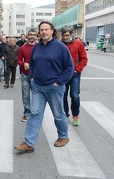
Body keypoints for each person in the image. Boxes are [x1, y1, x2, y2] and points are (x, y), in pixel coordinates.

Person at [14, 21, 74, 153]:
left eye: (46, 29)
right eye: (41, 30)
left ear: (52, 31)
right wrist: (32, 77)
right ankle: (29, 143)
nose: (44, 32)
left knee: (58, 114)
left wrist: (58, 82)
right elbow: (33, 64)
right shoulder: (37, 46)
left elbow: (69, 68)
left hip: (54, 88)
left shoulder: (60, 47)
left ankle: (63, 136)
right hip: (37, 87)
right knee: (35, 114)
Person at [61, 26, 88, 126]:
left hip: (74, 74)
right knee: (63, 96)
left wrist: (78, 69)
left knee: (75, 96)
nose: (65, 37)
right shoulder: (59, 44)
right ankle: (65, 115)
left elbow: (84, 58)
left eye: (67, 35)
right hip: (63, 75)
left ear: (71, 34)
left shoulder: (78, 43)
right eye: (63, 35)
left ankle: (75, 115)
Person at [17, 29, 38, 122]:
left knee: (36, 95)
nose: (32, 36)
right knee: (25, 95)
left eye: (34, 34)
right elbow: (18, 60)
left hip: (36, 75)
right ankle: (26, 113)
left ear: (36, 36)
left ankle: (35, 113)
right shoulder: (22, 48)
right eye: (30, 34)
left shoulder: (39, 47)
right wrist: (23, 64)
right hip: (25, 75)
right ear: (27, 36)